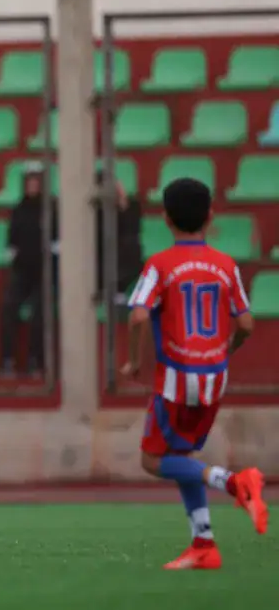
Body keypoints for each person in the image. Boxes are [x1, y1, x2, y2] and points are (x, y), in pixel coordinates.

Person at [122, 178, 267, 570]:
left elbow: (137, 315)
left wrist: (135, 362)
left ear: (165, 218)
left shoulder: (160, 264)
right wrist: (225, 351)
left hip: (174, 380)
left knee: (152, 461)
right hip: (214, 378)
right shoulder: (225, 265)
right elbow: (248, 324)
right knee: (181, 454)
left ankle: (233, 482)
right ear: (211, 216)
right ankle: (203, 543)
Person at [0, 166, 58, 378]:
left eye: (36, 181)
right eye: (29, 181)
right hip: (22, 270)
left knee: (39, 313)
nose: (33, 185)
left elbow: (59, 241)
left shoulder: (52, 208)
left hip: (45, 271)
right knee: (8, 308)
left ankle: (36, 362)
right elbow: (11, 242)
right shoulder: (19, 209)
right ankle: (7, 361)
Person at [96, 171, 143, 305]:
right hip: (102, 252)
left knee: (129, 243)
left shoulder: (132, 205)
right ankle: (104, 289)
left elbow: (133, 228)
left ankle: (119, 289)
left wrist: (122, 201)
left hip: (123, 251)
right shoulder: (95, 210)